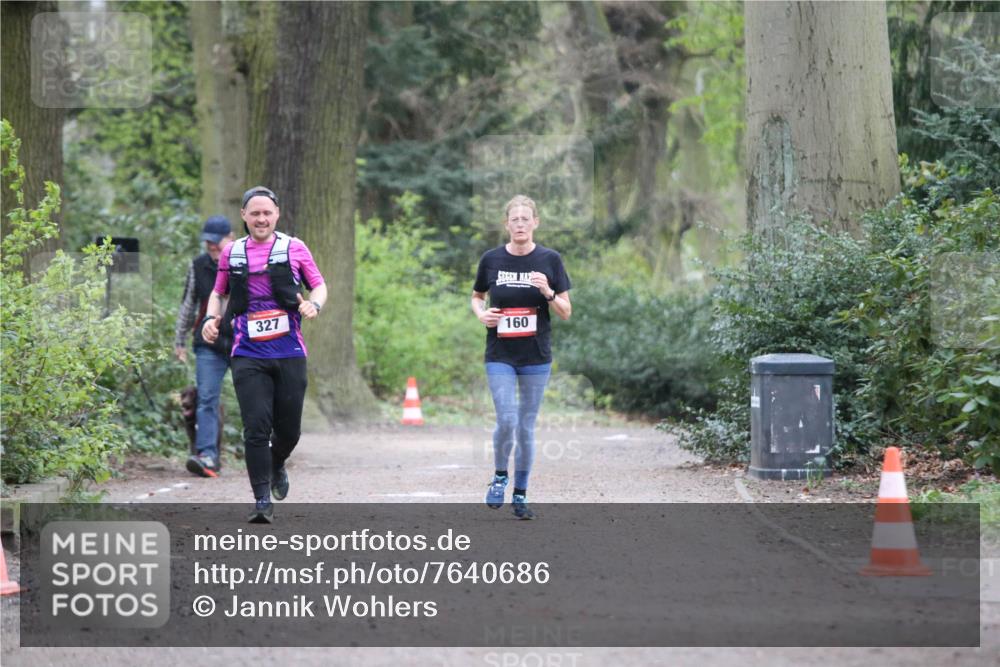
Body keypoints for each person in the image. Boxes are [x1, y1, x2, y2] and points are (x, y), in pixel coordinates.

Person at [202, 186, 327, 523]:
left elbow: (319, 285)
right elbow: (219, 293)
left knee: (289, 432)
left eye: (267, 213)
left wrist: (313, 304)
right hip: (247, 352)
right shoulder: (232, 253)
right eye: (254, 213)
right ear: (243, 216)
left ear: (277, 215)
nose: (261, 218)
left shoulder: (294, 248)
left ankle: (277, 464)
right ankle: (261, 501)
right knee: (256, 428)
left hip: (289, 351)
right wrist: (210, 319)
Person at [470, 195, 572, 520]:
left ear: (536, 223)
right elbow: (476, 297)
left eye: (525, 219)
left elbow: (566, 311)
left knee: (526, 426)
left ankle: (521, 493)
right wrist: (480, 314)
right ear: (506, 224)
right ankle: (500, 476)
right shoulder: (491, 259)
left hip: (536, 356)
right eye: (514, 219)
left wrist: (548, 293)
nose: (520, 224)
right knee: (507, 418)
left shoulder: (550, 260)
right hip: (500, 353)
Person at [174, 215, 234, 478]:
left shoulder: (244, 260)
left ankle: (267, 452)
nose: (211, 246)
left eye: (215, 242)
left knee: (254, 398)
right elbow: (188, 304)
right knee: (207, 398)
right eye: (208, 242)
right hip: (207, 342)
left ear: (229, 239)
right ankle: (207, 455)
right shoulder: (197, 266)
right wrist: (180, 340)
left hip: (242, 340)